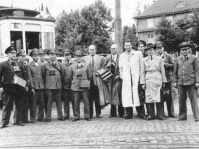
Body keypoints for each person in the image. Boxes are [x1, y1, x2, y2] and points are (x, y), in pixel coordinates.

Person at [0, 46, 26, 128]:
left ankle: (18, 121)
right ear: (7, 54)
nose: (14, 55)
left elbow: (24, 76)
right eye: (12, 53)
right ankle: (4, 122)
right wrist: (1, 87)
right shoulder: (3, 64)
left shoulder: (19, 64)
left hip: (19, 88)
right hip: (8, 88)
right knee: (7, 105)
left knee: (19, 104)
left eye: (14, 53)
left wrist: (25, 85)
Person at [140, 43, 167, 120]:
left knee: (159, 98)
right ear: (146, 51)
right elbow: (142, 72)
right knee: (149, 98)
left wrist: (164, 81)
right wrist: (142, 82)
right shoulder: (143, 60)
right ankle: (151, 115)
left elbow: (163, 70)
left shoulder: (159, 59)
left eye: (151, 50)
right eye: (148, 50)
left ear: (154, 50)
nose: (150, 51)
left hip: (157, 78)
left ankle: (160, 115)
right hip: (148, 78)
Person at [174, 42, 199, 122]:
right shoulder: (177, 59)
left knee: (193, 99)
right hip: (181, 82)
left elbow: (197, 70)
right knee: (181, 100)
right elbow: (175, 71)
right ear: (180, 51)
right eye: (182, 50)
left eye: (186, 49)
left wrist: (197, 81)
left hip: (191, 81)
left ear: (189, 50)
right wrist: (175, 81)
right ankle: (182, 116)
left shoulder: (194, 58)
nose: (184, 51)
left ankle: (196, 116)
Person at [119, 40, 143, 119]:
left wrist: (140, 77)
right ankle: (129, 113)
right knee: (127, 96)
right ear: (124, 46)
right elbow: (120, 68)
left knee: (137, 95)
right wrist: (122, 76)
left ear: (131, 46)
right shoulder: (122, 56)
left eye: (129, 45)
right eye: (126, 45)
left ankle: (140, 113)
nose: (127, 47)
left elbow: (141, 66)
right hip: (126, 79)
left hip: (136, 77)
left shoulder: (138, 54)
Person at [41, 49, 64, 122]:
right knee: (49, 102)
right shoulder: (45, 65)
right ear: (48, 55)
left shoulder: (59, 64)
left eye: (54, 54)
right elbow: (43, 75)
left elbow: (62, 74)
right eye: (51, 55)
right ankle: (48, 117)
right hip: (49, 87)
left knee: (59, 102)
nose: (53, 56)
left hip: (58, 86)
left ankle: (60, 116)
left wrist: (59, 84)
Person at [69, 50, 92, 122]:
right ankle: (76, 116)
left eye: (80, 56)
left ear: (82, 57)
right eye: (77, 56)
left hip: (84, 87)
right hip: (75, 86)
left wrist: (85, 82)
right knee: (75, 102)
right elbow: (69, 77)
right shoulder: (72, 66)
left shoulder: (86, 65)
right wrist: (74, 82)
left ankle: (87, 115)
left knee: (86, 102)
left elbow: (89, 76)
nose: (78, 58)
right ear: (74, 57)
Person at [155, 41, 175, 118]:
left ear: (163, 48)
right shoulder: (154, 56)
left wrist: (164, 64)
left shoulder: (168, 56)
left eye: (160, 48)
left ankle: (171, 113)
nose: (159, 50)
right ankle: (160, 114)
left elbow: (173, 65)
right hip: (158, 79)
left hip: (168, 79)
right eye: (157, 48)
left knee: (169, 96)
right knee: (159, 96)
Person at [84, 45, 105, 118]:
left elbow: (104, 68)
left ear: (95, 50)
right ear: (88, 51)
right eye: (90, 50)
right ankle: (90, 113)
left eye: (93, 50)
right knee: (89, 98)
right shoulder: (85, 58)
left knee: (97, 97)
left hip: (97, 79)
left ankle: (98, 113)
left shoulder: (101, 58)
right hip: (89, 80)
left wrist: (99, 72)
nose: (92, 51)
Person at [104, 44, 124, 118]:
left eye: (114, 49)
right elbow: (104, 67)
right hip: (110, 78)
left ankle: (121, 112)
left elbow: (123, 67)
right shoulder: (108, 57)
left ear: (117, 49)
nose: (113, 50)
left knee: (119, 94)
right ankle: (112, 113)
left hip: (118, 78)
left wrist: (119, 75)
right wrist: (107, 65)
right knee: (111, 94)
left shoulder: (121, 57)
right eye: (111, 49)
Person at [27, 49, 45, 122]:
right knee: (33, 104)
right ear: (32, 57)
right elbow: (30, 77)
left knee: (41, 103)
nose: (36, 57)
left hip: (41, 86)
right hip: (34, 86)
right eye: (34, 56)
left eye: (37, 56)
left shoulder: (41, 65)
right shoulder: (29, 65)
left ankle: (40, 117)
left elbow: (43, 76)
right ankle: (33, 118)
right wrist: (32, 87)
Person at [14, 51, 30, 123]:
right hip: (18, 87)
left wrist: (26, 85)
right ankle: (16, 119)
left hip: (24, 86)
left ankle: (24, 118)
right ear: (18, 56)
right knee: (18, 104)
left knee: (25, 103)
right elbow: (16, 77)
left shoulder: (24, 64)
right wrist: (24, 85)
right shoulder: (15, 64)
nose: (24, 58)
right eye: (22, 56)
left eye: (24, 56)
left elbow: (25, 76)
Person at [136, 40, 148, 119]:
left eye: (142, 46)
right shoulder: (135, 56)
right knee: (139, 96)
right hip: (137, 78)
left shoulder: (147, 55)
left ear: (145, 47)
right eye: (139, 46)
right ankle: (140, 113)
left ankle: (150, 112)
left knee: (147, 95)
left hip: (147, 78)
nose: (141, 48)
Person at [61, 49, 74, 120]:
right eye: (65, 55)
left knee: (74, 101)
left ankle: (75, 114)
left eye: (68, 55)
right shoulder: (62, 65)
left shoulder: (74, 63)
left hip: (73, 86)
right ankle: (66, 114)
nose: (67, 57)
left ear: (71, 56)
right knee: (66, 102)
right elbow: (61, 75)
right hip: (65, 86)